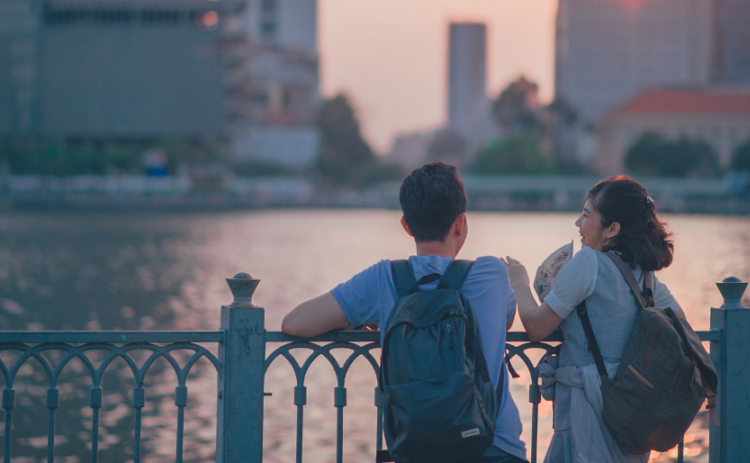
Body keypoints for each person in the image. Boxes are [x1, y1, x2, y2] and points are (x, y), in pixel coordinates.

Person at [282, 162, 528, 463]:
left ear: (406, 225)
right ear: (461, 223)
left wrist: (360, 319)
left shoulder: (383, 278)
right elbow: (503, 323)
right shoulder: (492, 272)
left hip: (416, 447)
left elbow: (295, 323)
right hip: (493, 445)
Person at [503, 175, 683, 463]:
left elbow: (536, 327)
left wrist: (519, 283)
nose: (578, 223)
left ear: (612, 229)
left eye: (586, 215)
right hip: (630, 412)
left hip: (586, 409)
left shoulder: (589, 262)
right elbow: (679, 326)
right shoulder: (646, 277)